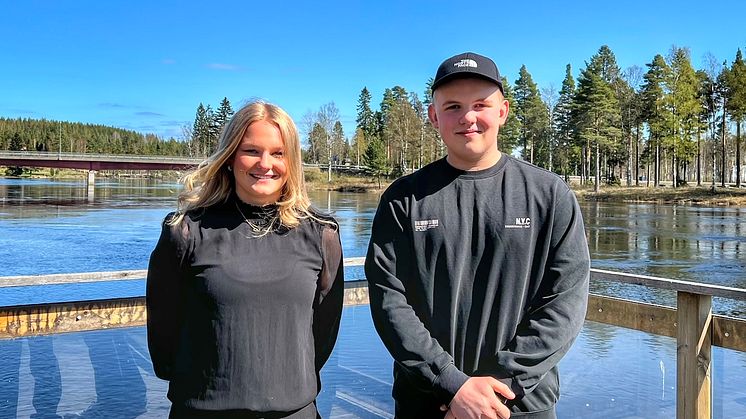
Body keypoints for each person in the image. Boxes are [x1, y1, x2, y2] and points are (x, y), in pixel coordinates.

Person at [365, 52, 590, 419]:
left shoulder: (549, 195)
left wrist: (501, 386)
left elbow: (564, 302)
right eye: (453, 106)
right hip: (428, 402)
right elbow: (390, 302)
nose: (468, 117)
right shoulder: (402, 200)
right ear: (434, 116)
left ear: (502, 111)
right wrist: (452, 384)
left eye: (480, 104)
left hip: (520, 405)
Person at [146, 100, 344, 418]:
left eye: (278, 153)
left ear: (292, 161)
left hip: (294, 411)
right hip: (203, 409)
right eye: (251, 150)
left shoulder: (322, 234)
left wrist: (288, 381)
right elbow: (163, 328)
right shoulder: (185, 231)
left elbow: (324, 329)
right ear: (230, 157)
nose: (265, 163)